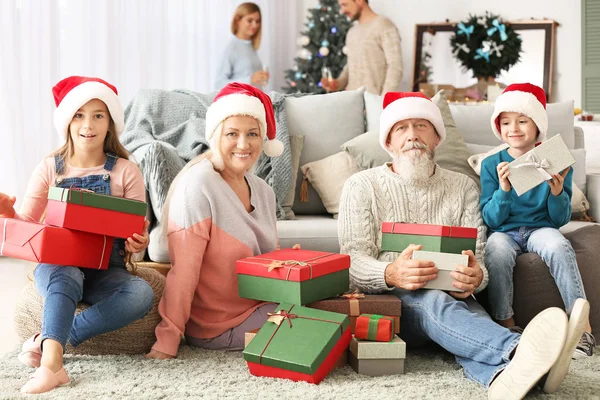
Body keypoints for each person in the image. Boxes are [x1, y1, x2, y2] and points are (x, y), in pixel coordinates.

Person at [337, 91, 588, 398]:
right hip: (395, 302)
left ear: (437, 138)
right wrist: (390, 273)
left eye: (421, 126)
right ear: (388, 143)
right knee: (432, 303)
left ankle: (504, 379)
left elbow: (480, 260)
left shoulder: (463, 186)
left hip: (456, 301)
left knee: (474, 321)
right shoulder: (361, 186)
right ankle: (521, 348)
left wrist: (475, 278)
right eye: (401, 128)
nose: (412, 136)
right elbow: (349, 262)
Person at [0, 76, 153, 394]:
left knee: (141, 294)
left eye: (99, 114)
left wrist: (140, 242)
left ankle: (51, 341)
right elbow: (27, 224)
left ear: (110, 123)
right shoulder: (50, 169)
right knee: (66, 271)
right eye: (80, 114)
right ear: (67, 121)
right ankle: (51, 367)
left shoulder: (126, 171)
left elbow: (138, 230)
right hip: (57, 268)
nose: (89, 124)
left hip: (105, 272)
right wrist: (7, 214)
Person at [146, 82, 284, 359]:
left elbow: (264, 266)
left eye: (253, 134)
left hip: (265, 306)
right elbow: (183, 273)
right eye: (232, 133)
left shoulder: (264, 191)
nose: (244, 145)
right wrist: (167, 340)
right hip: (218, 326)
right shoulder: (198, 185)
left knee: (333, 305)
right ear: (216, 136)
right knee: (324, 323)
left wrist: (292, 267)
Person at [480, 83, 595, 358]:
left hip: (540, 228)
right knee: (495, 250)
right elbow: (491, 218)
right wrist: (504, 191)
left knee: (559, 246)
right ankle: (505, 323)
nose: (513, 128)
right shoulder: (490, 164)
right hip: (504, 231)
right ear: (498, 127)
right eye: (506, 122)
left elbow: (558, 220)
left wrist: (557, 193)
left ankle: (581, 327)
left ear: (537, 125)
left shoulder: (553, 159)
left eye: (522, 121)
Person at [320, 0, 402, 95]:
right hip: (353, 103)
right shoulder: (352, 32)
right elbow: (351, 66)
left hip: (374, 105)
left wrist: (382, 102)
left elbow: (395, 67)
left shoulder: (384, 25)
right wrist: (337, 84)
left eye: (345, 5)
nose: (342, 11)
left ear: (359, 1)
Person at [214, 2, 269, 91]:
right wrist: (249, 79)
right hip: (242, 102)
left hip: (255, 100)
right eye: (250, 20)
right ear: (237, 20)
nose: (255, 25)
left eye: (257, 21)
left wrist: (261, 77)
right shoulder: (232, 48)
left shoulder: (250, 46)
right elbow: (219, 84)